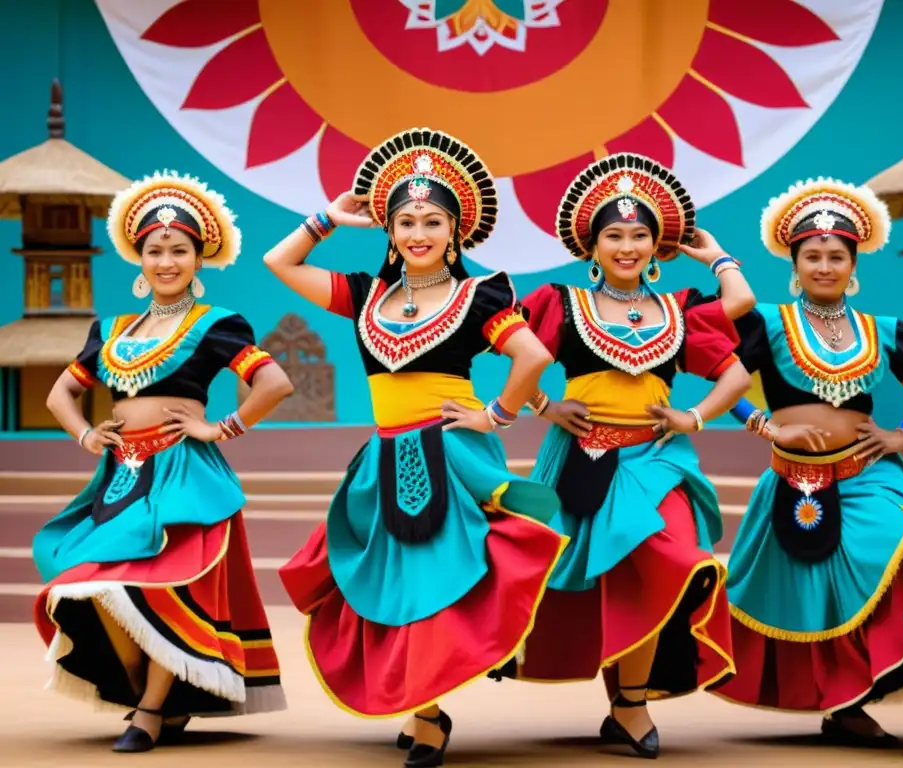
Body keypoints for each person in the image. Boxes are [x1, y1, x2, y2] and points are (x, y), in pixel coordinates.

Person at [266, 128, 567, 768]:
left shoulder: (477, 296)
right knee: (395, 581)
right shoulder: (364, 294)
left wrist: (496, 415)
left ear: (456, 231)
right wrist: (327, 218)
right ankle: (421, 705)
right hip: (385, 454)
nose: (418, 232)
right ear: (390, 231)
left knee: (436, 577)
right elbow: (279, 263)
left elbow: (533, 355)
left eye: (433, 220)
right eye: (405, 221)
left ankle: (427, 714)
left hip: (449, 456)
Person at [714, 177, 903, 745]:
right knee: (822, 596)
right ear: (794, 264)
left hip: (868, 475)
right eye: (812, 256)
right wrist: (767, 425)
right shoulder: (767, 322)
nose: (824, 266)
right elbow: (722, 382)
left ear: (853, 264)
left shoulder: (884, 331)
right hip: (794, 479)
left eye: (835, 256)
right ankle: (848, 706)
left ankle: (867, 689)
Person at [490, 152, 754, 759]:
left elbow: (735, 356)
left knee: (665, 559)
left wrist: (695, 415)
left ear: (657, 244)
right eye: (615, 234)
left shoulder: (679, 309)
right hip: (580, 456)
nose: (628, 245)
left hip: (655, 460)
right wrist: (543, 407)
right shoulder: (562, 304)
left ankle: (631, 703)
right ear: (593, 243)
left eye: (641, 235)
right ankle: (624, 702)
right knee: (600, 582)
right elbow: (513, 351)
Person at [32, 171, 294, 752]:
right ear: (140, 258)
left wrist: (218, 428)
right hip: (122, 477)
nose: (167, 261)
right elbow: (60, 395)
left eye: (179, 250)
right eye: (156, 250)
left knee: (164, 588)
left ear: (198, 259)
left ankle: (149, 711)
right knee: (94, 587)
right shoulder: (113, 330)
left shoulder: (216, 324)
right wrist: (84, 436)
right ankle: (153, 696)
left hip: (182, 474)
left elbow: (274, 383)